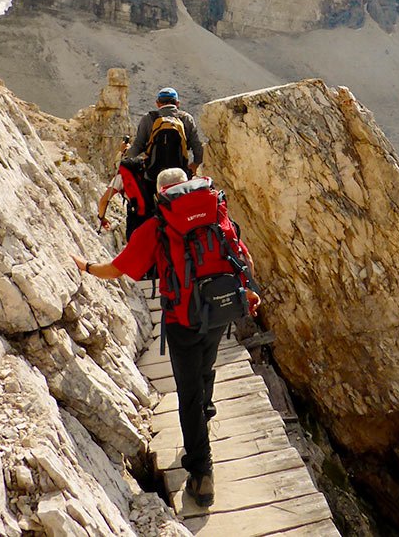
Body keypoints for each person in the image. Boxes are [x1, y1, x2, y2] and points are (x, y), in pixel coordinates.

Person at [72, 168, 259, 509]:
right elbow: (241, 255)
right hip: (220, 309)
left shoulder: (157, 227)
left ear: (160, 195)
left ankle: (202, 476)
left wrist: (85, 266)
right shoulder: (215, 213)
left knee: (187, 394)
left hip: (182, 318)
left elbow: (116, 269)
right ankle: (207, 408)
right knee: (208, 362)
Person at [128, 87, 204, 178]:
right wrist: (195, 164)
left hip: (153, 173)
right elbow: (197, 146)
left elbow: (137, 147)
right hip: (179, 172)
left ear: (158, 103)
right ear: (177, 103)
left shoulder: (148, 118)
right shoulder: (186, 118)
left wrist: (126, 151)